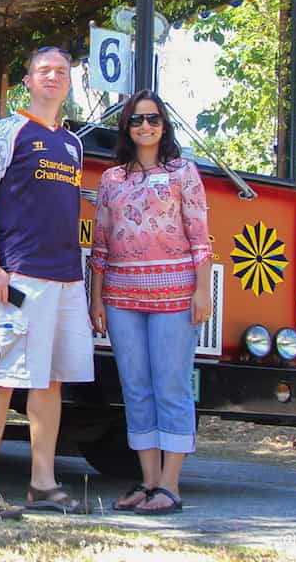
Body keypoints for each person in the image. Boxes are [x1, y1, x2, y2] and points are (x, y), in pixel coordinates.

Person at [0, 46, 95, 519]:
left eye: (62, 71)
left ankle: (43, 483)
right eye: (44, 71)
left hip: (65, 282)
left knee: (50, 382)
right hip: (20, 276)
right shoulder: (6, 131)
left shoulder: (73, 145)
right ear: (28, 81)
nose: (54, 77)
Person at [89, 89, 213, 514]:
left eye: (153, 119)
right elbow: (100, 244)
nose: (145, 126)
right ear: (126, 127)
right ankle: (147, 482)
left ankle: (171, 486)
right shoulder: (111, 180)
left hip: (176, 294)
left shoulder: (184, 172)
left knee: (171, 385)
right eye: (137, 120)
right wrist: (96, 300)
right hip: (121, 296)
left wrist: (202, 290)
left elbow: (199, 237)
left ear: (164, 126)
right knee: (135, 388)